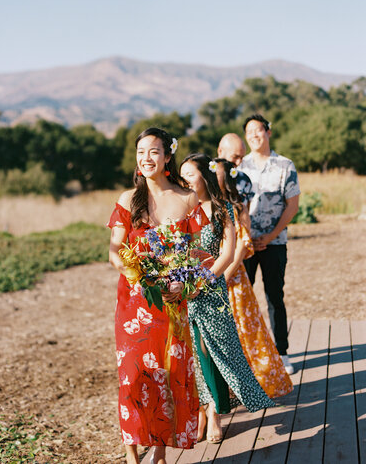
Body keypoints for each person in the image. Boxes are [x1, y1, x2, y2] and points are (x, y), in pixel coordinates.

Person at [108, 128, 209, 464]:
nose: (145, 158)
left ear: (167, 157)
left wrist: (184, 283)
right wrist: (139, 275)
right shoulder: (127, 199)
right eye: (140, 152)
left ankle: (161, 453)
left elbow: (198, 255)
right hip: (134, 304)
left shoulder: (187, 198)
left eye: (153, 151)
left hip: (171, 304)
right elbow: (114, 253)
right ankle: (131, 454)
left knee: (165, 376)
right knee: (133, 377)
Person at [180, 153, 275, 444]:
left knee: (219, 351)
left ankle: (216, 413)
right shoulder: (180, 210)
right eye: (180, 176)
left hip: (211, 291)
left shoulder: (222, 209)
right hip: (182, 292)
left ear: (204, 178)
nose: (183, 181)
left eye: (189, 175)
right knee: (195, 354)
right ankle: (203, 412)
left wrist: (204, 280)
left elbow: (228, 252)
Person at [214, 157, 293, 397]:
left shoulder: (238, 206)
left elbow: (242, 244)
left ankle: (257, 382)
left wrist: (224, 275)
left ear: (225, 178)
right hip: (214, 277)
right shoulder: (206, 205)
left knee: (246, 330)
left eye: (215, 173)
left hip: (233, 278)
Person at [240, 114, 300, 375]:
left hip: (276, 243)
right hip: (246, 244)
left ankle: (282, 353)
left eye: (259, 130)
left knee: (275, 297)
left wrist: (272, 234)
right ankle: (248, 354)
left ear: (268, 132)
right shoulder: (239, 167)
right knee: (245, 299)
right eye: (249, 132)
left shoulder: (285, 165)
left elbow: (293, 205)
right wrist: (248, 236)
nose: (254, 135)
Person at [217, 132, 253, 207]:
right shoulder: (204, 177)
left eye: (241, 158)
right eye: (235, 157)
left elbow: (245, 213)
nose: (238, 162)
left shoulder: (244, 180)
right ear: (220, 151)